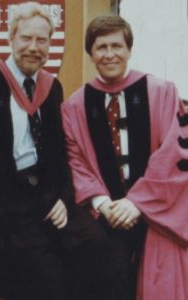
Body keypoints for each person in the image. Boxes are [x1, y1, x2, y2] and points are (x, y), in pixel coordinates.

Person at [0, 4, 121, 300]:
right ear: (12, 39)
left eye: (41, 41)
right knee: (48, 276)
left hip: (49, 192)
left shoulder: (51, 88)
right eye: (26, 39)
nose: (33, 47)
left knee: (100, 249)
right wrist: (42, 202)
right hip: (6, 203)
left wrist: (61, 198)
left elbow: (58, 153)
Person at [61, 15, 188, 300]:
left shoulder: (162, 92)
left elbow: (176, 155)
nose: (109, 54)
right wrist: (104, 204)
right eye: (101, 47)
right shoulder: (76, 105)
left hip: (157, 211)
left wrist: (137, 202)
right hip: (105, 214)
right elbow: (75, 161)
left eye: (116, 46)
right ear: (91, 54)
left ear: (130, 50)